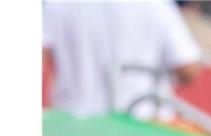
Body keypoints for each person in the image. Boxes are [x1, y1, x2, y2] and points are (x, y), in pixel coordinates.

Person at [42, 1, 201, 119]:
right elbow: (188, 67)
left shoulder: (58, 3)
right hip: (140, 122)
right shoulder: (156, 5)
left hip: (76, 118)